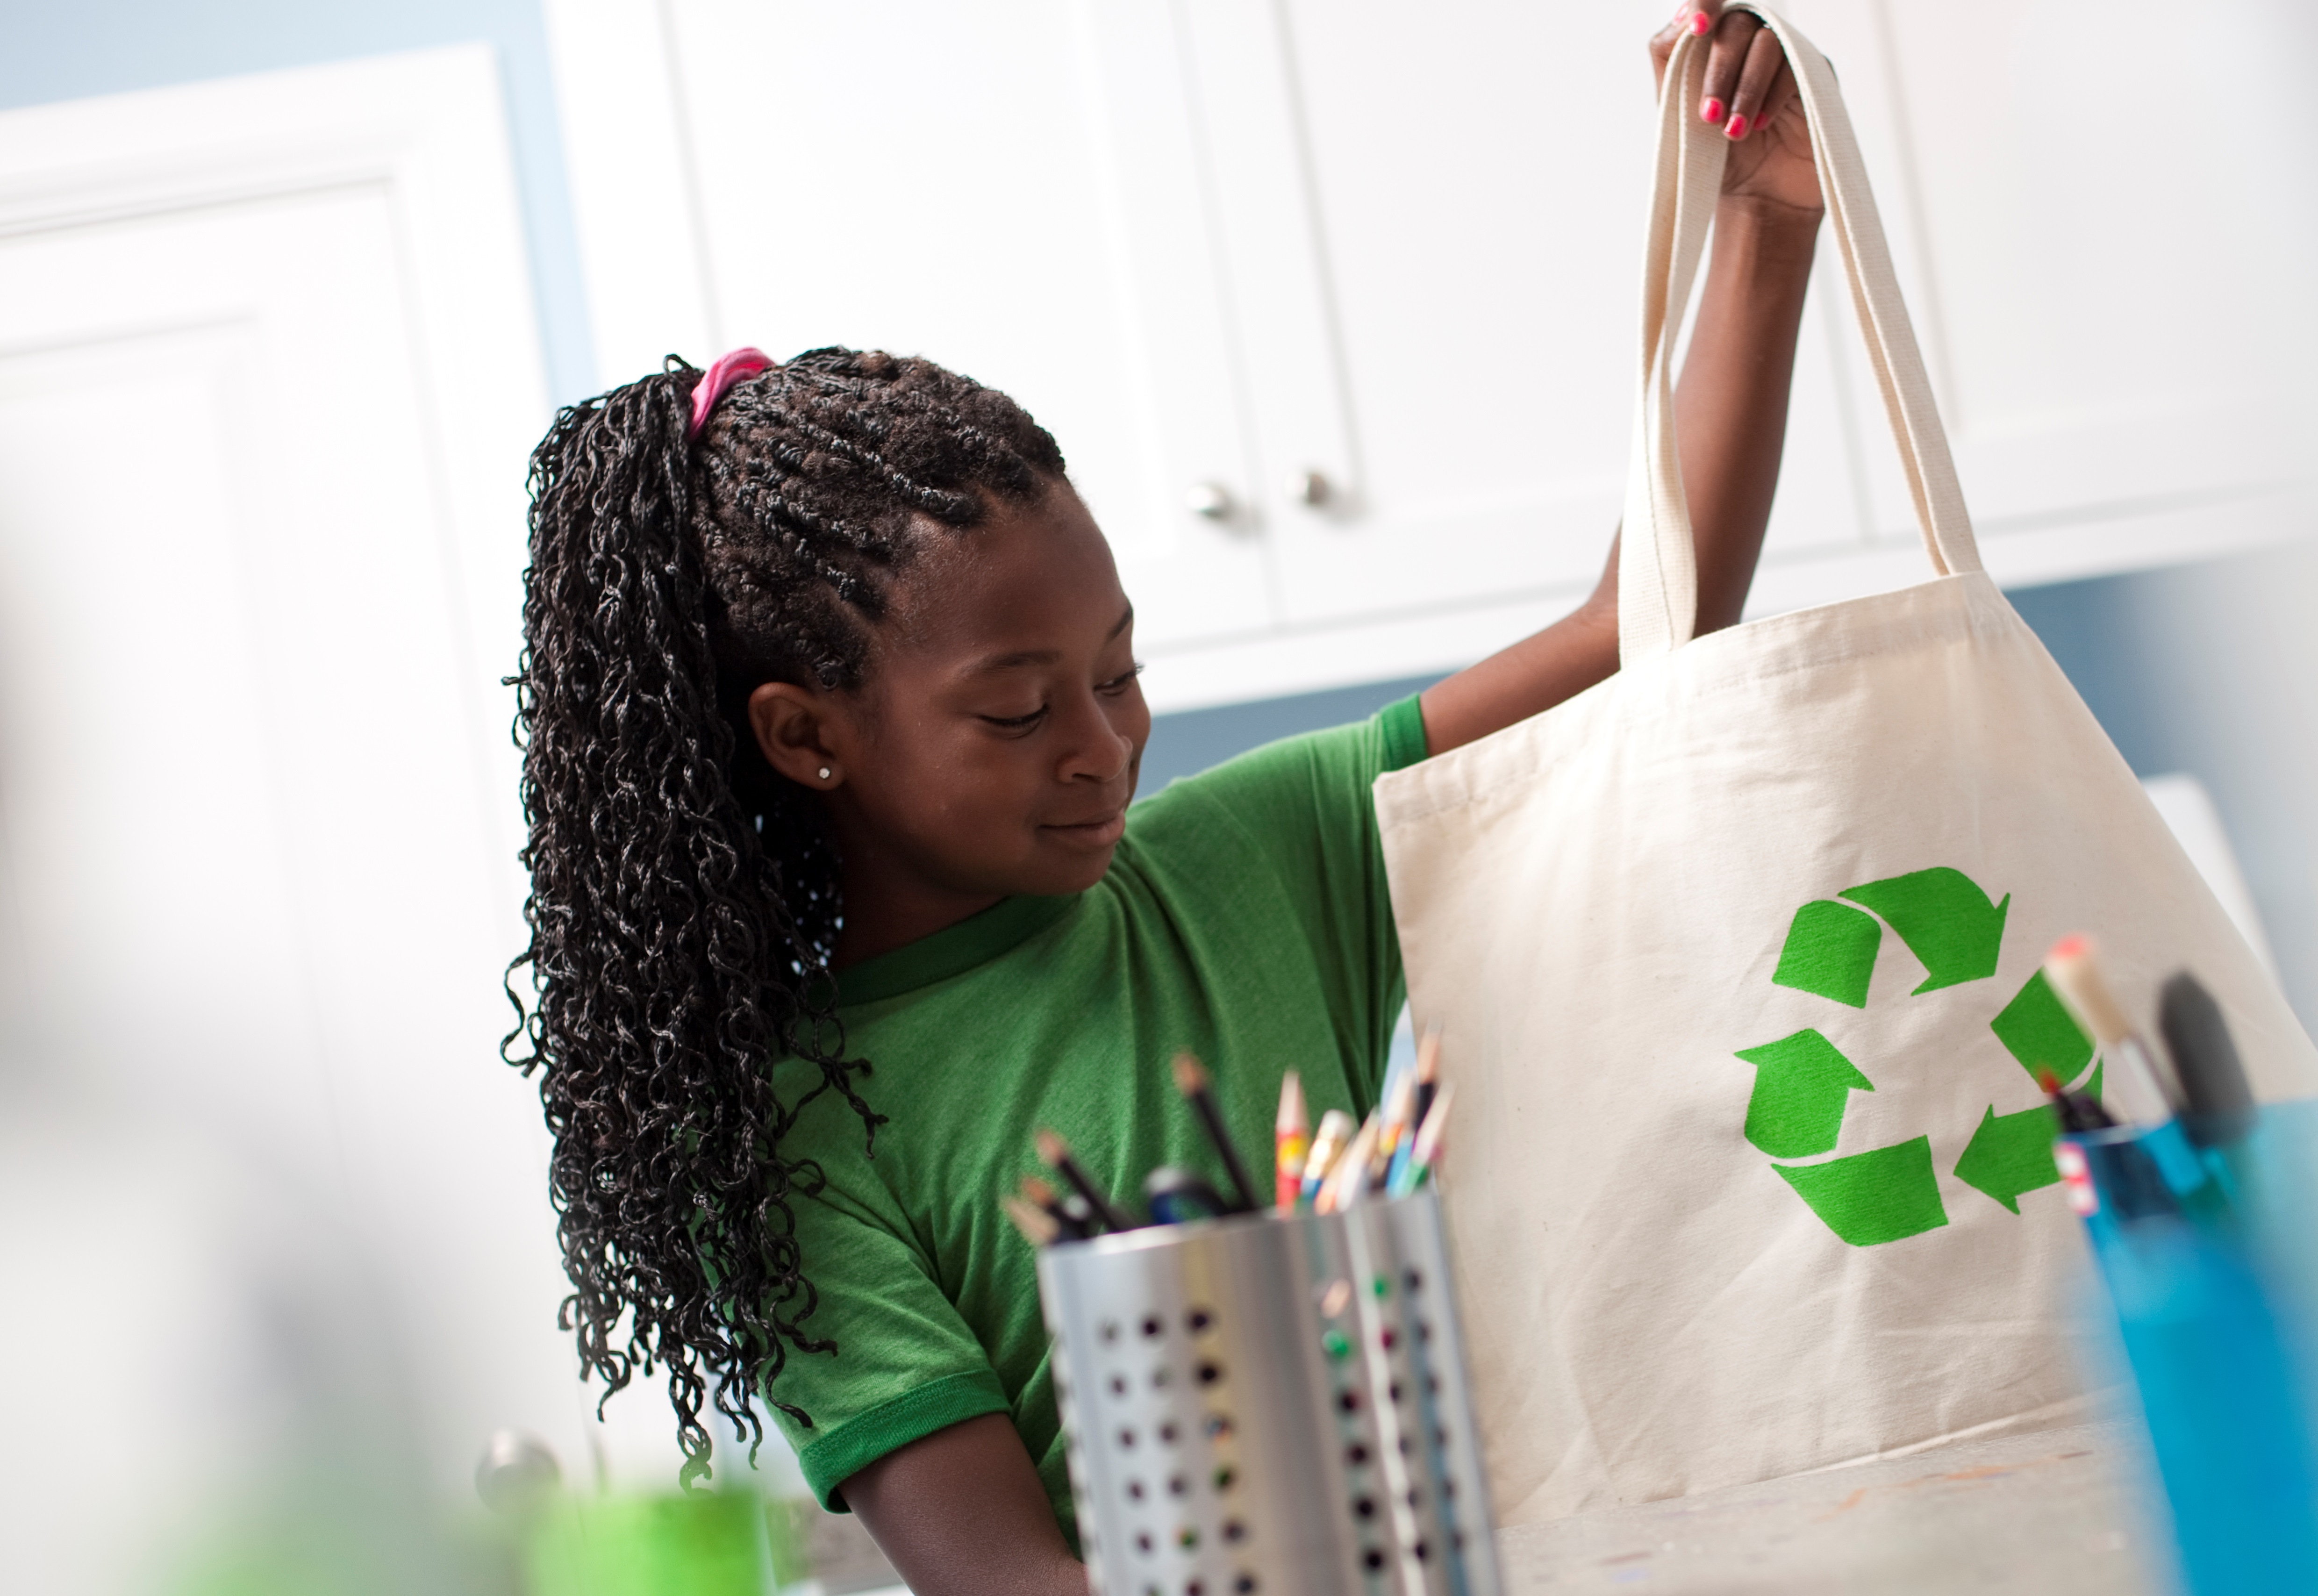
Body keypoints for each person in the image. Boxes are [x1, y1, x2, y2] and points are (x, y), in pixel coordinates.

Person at [508, 5, 1817, 1590]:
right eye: (1015, 708)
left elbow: (1641, 631)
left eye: (1118, 674)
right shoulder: (794, 1140)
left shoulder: (1261, 854)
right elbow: (1010, 1579)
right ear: (804, 738)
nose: (1102, 748)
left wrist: (1765, 223)